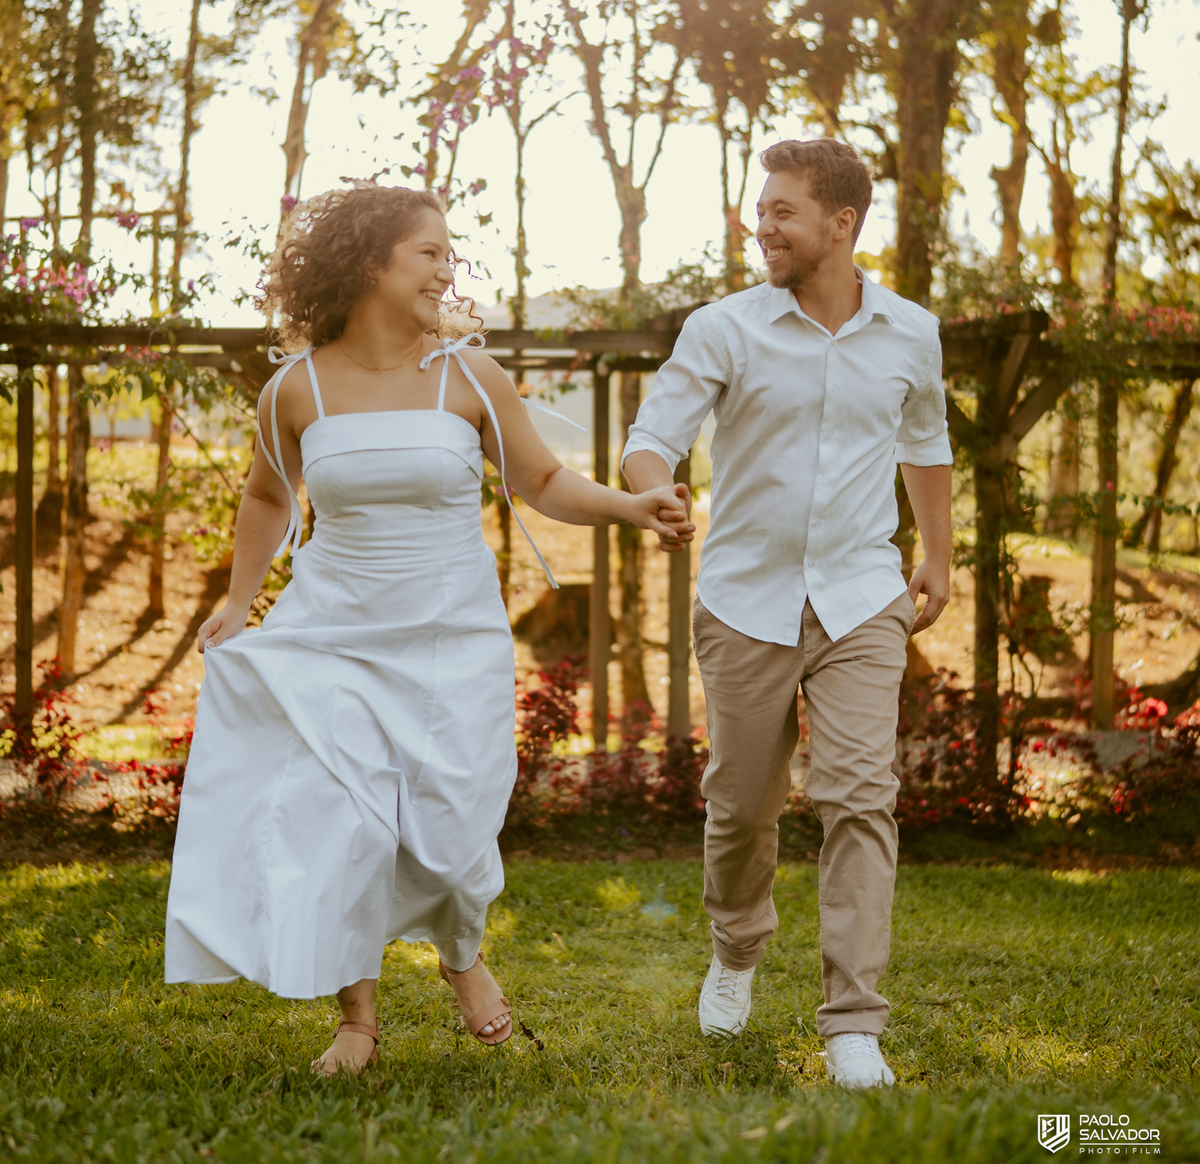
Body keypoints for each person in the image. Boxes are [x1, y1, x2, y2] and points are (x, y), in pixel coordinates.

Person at [164, 183, 693, 1076]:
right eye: (430, 252)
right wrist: (237, 599)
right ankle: (357, 1020)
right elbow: (266, 497)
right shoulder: (295, 389)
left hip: (450, 634)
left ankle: (460, 953)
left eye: (450, 254)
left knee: (451, 824)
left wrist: (631, 506)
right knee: (346, 820)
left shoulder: (469, 377)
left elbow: (541, 481)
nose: (448, 269)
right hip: (332, 632)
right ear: (370, 263)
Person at [622, 138, 952, 1089]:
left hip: (862, 595)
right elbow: (652, 438)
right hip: (745, 600)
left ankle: (853, 1023)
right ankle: (736, 950)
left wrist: (937, 556)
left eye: (780, 212)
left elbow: (925, 444)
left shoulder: (910, 332)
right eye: (759, 209)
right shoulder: (724, 328)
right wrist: (654, 491)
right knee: (741, 807)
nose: (760, 226)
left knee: (862, 797)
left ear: (841, 225)